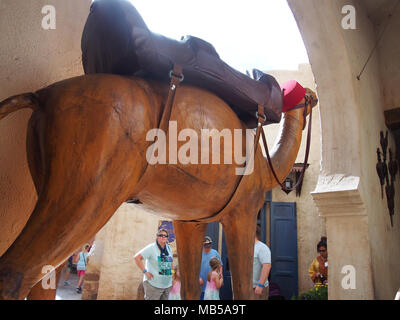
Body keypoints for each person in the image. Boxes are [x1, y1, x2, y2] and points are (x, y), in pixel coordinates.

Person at [134, 228, 173, 300]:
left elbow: (171, 262)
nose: (163, 237)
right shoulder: (151, 248)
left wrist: (172, 274)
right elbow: (137, 258)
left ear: (167, 238)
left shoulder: (168, 248)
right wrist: (145, 272)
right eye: (161, 235)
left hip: (167, 284)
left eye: (165, 236)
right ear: (157, 237)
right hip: (153, 284)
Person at [253, 225, 272, 300]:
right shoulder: (247, 247)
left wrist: (260, 285)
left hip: (257, 288)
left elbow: (267, 266)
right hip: (246, 288)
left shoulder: (262, 247)